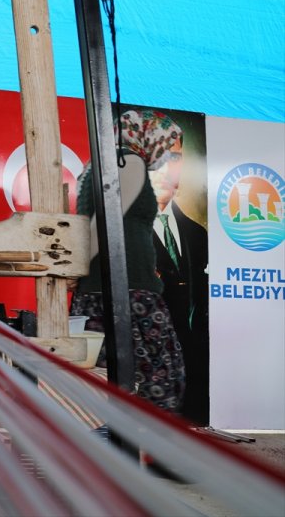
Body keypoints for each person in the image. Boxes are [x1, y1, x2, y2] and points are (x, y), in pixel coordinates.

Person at [71, 108, 186, 414]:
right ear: (147, 136)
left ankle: (113, 449)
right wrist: (78, 267)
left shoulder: (95, 165)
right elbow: (103, 224)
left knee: (109, 377)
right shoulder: (130, 161)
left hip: (100, 289)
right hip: (129, 290)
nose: (163, 155)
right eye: (165, 146)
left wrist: (79, 272)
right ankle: (137, 451)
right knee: (152, 376)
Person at [149, 130, 210, 425]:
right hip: (149, 388)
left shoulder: (200, 235)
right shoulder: (123, 235)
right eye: (160, 157)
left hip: (197, 397)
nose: (168, 166)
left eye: (175, 157)